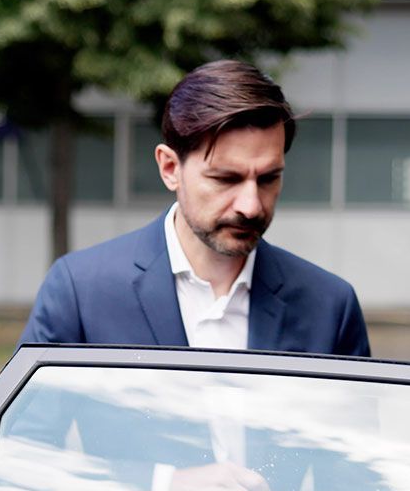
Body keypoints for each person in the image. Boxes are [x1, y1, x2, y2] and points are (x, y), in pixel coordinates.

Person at [20, 60, 370, 357]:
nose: (250, 206)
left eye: (268, 178)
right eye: (225, 178)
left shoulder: (330, 307)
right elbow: (26, 436)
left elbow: (356, 436)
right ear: (170, 168)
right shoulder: (81, 292)